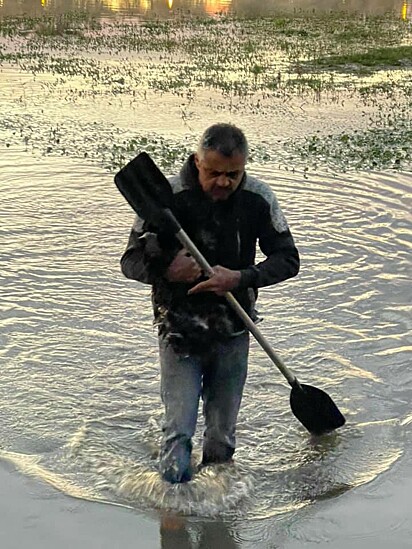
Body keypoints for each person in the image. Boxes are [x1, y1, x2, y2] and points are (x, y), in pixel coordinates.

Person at [120, 123, 300, 484]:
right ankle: (172, 515)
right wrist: (169, 270)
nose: (223, 182)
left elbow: (287, 259)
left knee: (221, 437)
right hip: (178, 331)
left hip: (235, 327)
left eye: (233, 175)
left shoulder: (258, 197)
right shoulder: (167, 197)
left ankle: (218, 509)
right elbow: (130, 262)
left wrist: (241, 277)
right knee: (179, 430)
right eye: (213, 172)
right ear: (196, 161)